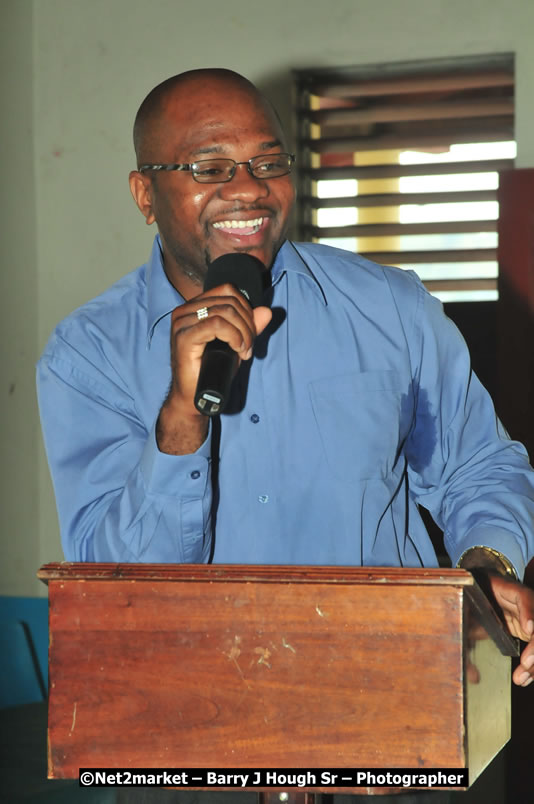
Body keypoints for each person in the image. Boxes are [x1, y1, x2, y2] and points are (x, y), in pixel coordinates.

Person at [37, 68, 534, 802]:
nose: (249, 189)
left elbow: (478, 465)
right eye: (209, 168)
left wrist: (487, 566)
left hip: (393, 734)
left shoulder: (389, 310)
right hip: (193, 757)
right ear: (145, 194)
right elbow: (113, 595)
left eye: (269, 163)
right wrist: (181, 419)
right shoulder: (88, 357)